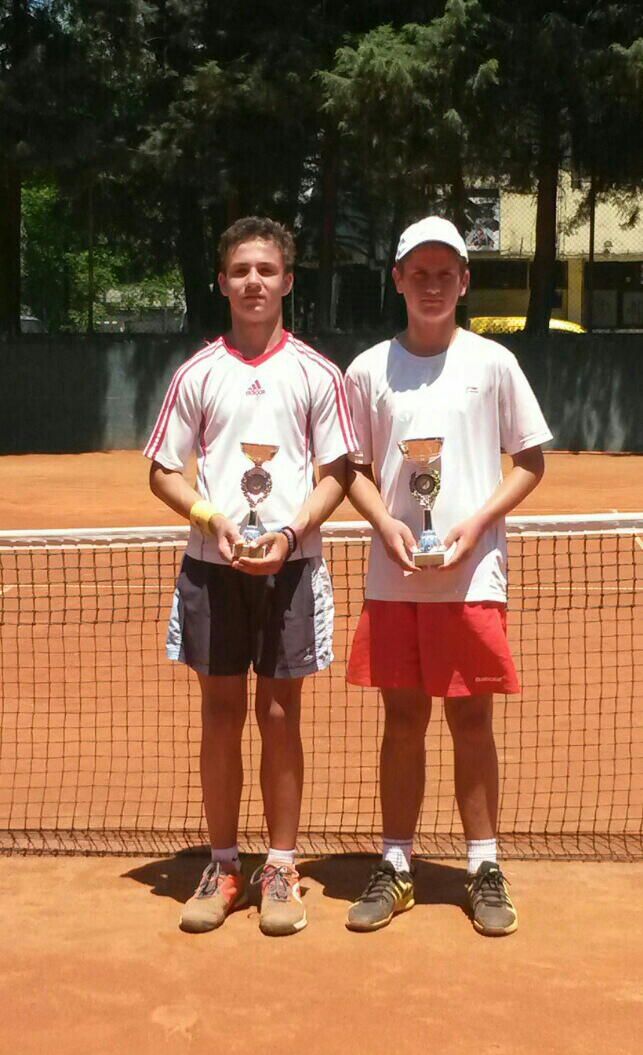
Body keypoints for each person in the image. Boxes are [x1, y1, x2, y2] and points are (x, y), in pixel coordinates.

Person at [144, 217, 356, 936]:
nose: (254, 281)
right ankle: (225, 860)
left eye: (267, 269)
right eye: (240, 270)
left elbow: (336, 473)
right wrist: (212, 517)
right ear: (222, 281)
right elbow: (164, 471)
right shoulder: (197, 373)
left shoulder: (318, 374)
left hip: (290, 569)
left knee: (280, 716)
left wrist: (292, 530)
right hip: (213, 569)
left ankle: (281, 865)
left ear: (288, 281)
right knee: (220, 713)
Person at [343, 216, 551, 936]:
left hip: (472, 578)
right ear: (397, 279)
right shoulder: (368, 369)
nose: (432, 284)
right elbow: (354, 472)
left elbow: (530, 460)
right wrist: (388, 524)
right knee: (402, 721)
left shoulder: (493, 363)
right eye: (418, 272)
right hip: (396, 577)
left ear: (464, 282)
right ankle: (396, 863)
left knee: (471, 719)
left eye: (446, 273)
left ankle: (483, 864)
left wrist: (473, 524)